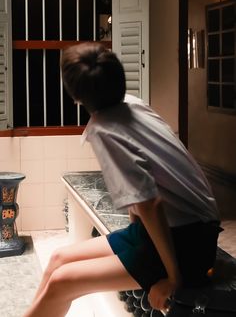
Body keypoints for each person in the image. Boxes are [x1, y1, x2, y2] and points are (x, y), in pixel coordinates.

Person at [23, 42, 221, 317]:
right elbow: (142, 195)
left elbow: (149, 203)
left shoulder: (104, 130)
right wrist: (136, 237)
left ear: (74, 96)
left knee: (61, 281)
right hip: (187, 228)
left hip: (189, 243)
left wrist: (174, 279)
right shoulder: (133, 104)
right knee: (58, 259)